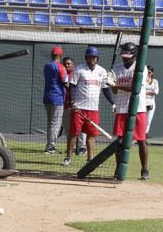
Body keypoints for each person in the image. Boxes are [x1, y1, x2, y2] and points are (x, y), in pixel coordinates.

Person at [63, 47, 115, 166]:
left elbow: (106, 89)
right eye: (89, 57)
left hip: (93, 109)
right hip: (79, 108)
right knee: (73, 133)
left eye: (94, 57)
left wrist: (113, 102)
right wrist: (72, 102)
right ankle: (68, 158)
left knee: (91, 134)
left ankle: (91, 159)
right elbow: (72, 87)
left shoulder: (102, 71)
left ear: (97, 58)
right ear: (86, 57)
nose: (91, 59)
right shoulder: (79, 69)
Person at [110, 42, 149, 180]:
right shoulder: (117, 67)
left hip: (137, 108)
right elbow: (114, 90)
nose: (125, 59)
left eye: (128, 57)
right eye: (124, 56)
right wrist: (110, 83)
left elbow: (135, 88)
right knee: (119, 141)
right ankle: (118, 169)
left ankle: (144, 170)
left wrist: (116, 85)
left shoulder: (140, 67)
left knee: (141, 140)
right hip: (121, 107)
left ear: (134, 55)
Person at [43, 46, 68, 154]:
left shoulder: (47, 65)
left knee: (50, 123)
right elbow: (65, 82)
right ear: (60, 55)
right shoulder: (60, 67)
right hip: (57, 98)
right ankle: (51, 147)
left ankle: (49, 145)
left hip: (47, 98)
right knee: (55, 124)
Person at [61, 56, 87, 155]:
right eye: (65, 64)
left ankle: (82, 147)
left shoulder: (77, 74)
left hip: (77, 105)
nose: (67, 65)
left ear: (73, 65)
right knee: (68, 129)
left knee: (80, 128)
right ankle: (71, 147)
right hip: (65, 105)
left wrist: (69, 86)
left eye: (69, 64)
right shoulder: (62, 74)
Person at [145, 65, 159, 137]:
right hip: (142, 104)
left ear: (152, 73)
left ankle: (145, 136)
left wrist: (145, 92)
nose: (149, 74)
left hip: (151, 104)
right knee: (141, 121)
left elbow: (156, 92)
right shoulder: (142, 80)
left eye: (150, 72)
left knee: (148, 121)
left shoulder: (155, 81)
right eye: (147, 72)